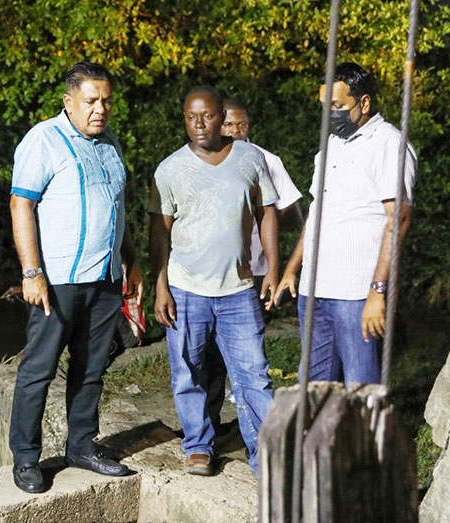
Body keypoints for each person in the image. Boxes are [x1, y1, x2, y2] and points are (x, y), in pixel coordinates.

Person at [8, 61, 140, 493]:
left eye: (106, 101)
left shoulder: (110, 144)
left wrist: (131, 259)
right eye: (90, 101)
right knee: (39, 370)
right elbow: (20, 205)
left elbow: (118, 208)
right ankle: (26, 458)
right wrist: (32, 273)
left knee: (91, 368)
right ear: (69, 102)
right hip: (58, 280)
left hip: (104, 277)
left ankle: (81, 447)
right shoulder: (43, 140)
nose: (99, 109)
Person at [148, 86, 278, 477]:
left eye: (207, 116)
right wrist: (160, 285)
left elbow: (267, 212)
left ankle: (267, 454)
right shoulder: (170, 169)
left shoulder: (250, 158)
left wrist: (273, 266)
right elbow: (159, 231)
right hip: (186, 289)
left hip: (238, 291)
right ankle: (198, 446)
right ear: (184, 119)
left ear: (223, 116)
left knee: (253, 375)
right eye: (191, 117)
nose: (199, 124)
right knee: (189, 371)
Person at [274, 62, 417, 385]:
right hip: (315, 289)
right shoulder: (332, 146)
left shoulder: (389, 145)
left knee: (360, 385)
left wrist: (377, 292)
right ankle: (321, 438)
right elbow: (317, 211)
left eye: (338, 106)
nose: (330, 114)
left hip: (356, 293)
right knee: (313, 384)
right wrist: (292, 270)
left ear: (364, 103)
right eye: (325, 106)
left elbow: (400, 221)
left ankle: (362, 438)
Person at [201, 97, 304, 431]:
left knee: (249, 357)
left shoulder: (265, 160)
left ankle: (259, 432)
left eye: (241, 124)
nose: (236, 131)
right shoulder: (201, 158)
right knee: (209, 356)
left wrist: (265, 225)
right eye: (229, 124)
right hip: (210, 273)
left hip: (254, 272)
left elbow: (292, 207)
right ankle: (211, 426)